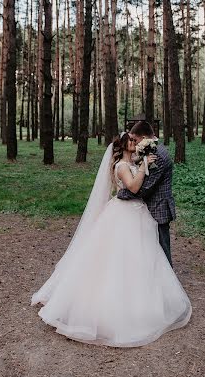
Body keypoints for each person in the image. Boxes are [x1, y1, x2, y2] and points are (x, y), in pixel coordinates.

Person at [31, 132, 191, 348]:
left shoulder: (131, 162)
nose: (135, 143)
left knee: (139, 259)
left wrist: (143, 163)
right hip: (124, 215)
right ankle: (113, 308)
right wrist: (144, 167)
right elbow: (133, 187)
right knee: (119, 258)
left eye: (136, 140)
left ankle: (142, 303)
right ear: (124, 146)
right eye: (132, 141)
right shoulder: (122, 167)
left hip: (136, 213)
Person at [117, 120, 175, 267]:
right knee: (150, 251)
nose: (134, 144)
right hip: (146, 209)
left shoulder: (158, 156)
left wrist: (121, 195)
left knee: (162, 251)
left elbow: (145, 188)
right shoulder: (152, 150)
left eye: (135, 140)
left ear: (143, 138)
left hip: (158, 208)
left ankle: (168, 285)